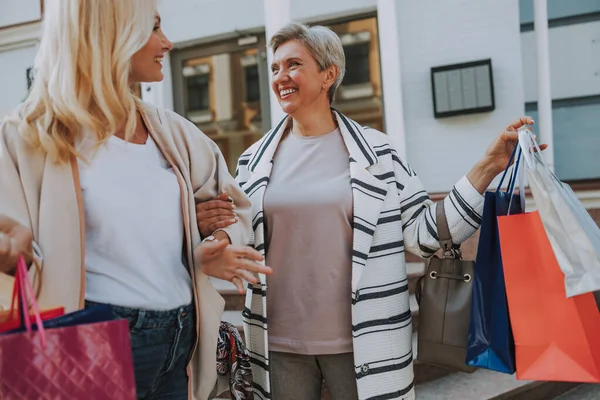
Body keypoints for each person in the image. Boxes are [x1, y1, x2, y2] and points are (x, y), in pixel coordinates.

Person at [195, 22, 545, 400]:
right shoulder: (253, 161)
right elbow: (236, 229)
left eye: (293, 64)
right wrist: (210, 228)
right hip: (279, 342)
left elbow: (426, 233)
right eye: (276, 68)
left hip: (366, 339)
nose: (281, 77)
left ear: (329, 74)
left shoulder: (378, 154)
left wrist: (488, 166)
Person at [0, 1, 271, 399]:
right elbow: (12, 245)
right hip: (90, 339)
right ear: (111, 36)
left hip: (183, 339)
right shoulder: (29, 135)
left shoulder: (172, 132)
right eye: (154, 27)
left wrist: (218, 240)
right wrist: (11, 251)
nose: (168, 42)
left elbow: (235, 207)